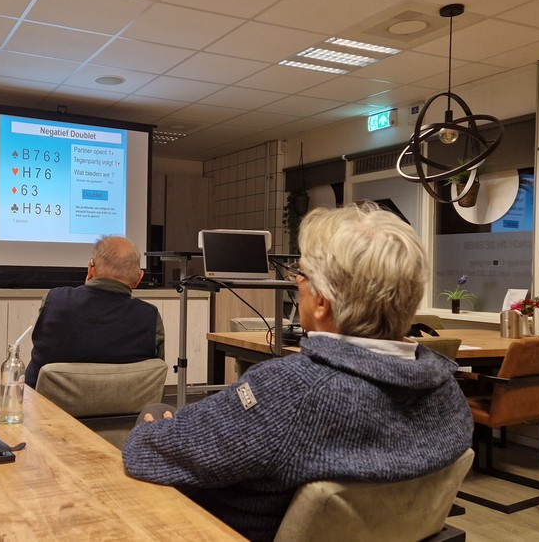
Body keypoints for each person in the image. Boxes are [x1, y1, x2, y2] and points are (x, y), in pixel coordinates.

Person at [121, 203, 473, 542]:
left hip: (217, 530)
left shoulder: (290, 392)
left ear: (321, 302)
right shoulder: (448, 392)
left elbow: (144, 453)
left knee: (155, 414)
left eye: (300, 273)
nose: (295, 282)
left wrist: (152, 430)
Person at [25, 236, 164, 389]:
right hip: (126, 405)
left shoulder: (55, 301)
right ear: (139, 278)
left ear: (90, 269)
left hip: (46, 404)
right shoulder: (150, 318)